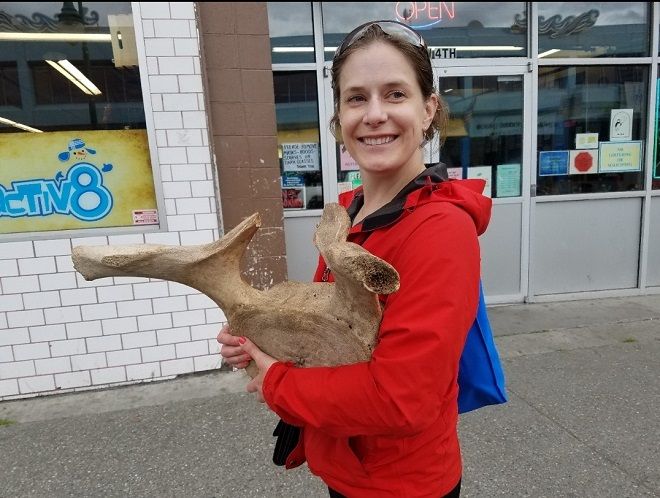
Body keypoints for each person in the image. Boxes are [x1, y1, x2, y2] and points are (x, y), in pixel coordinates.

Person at [218, 20, 492, 498]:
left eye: (395, 94)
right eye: (357, 98)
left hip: (401, 485)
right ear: (339, 117)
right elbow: (337, 335)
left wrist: (276, 381)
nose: (375, 114)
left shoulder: (439, 230)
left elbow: (401, 400)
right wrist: (261, 341)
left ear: (428, 109)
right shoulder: (348, 214)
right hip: (348, 467)